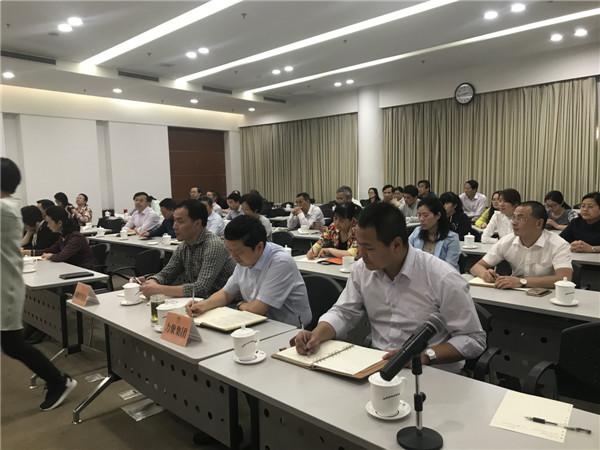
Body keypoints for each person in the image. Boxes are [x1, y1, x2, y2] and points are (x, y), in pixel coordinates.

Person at [294, 202, 485, 374]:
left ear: (396, 245)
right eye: (359, 245)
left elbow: (473, 339)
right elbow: (344, 312)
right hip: (378, 367)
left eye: (369, 248)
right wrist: (317, 335)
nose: (360, 254)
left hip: (430, 372)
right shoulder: (362, 269)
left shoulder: (442, 277)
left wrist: (424, 356)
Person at [1, 157, 77, 411]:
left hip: (6, 288)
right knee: (11, 344)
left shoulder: (4, 209)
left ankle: (58, 381)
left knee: (12, 345)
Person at [186, 215, 311, 327]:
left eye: (238, 252)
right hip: (256, 321)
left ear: (259, 247)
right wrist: (203, 305)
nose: (233, 256)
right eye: (229, 250)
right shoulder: (244, 259)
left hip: (289, 329)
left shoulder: (280, 262)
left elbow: (258, 308)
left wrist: (239, 305)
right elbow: (226, 294)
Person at [139, 200, 236, 298]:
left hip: (227, 303)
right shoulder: (184, 246)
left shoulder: (213, 245)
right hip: (201, 300)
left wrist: (159, 289)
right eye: (174, 220)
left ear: (197, 223)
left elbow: (201, 288)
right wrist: (152, 281)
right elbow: (167, 274)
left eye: (180, 221)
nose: (174, 226)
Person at [471, 201, 572, 289]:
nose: (513, 223)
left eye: (520, 219)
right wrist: (485, 274)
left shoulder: (558, 244)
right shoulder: (507, 241)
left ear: (539, 223)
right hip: (515, 293)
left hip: (547, 295)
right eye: (513, 218)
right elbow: (476, 266)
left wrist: (522, 282)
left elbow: (564, 278)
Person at [26, 206, 96, 270]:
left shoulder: (76, 237)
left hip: (86, 272)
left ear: (59, 223)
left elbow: (61, 256)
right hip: (72, 269)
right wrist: (27, 252)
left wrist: (50, 256)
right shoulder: (63, 237)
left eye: (49, 222)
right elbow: (50, 250)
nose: (47, 225)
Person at [408, 197, 461, 271]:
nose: (421, 219)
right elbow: (407, 255)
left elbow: (449, 268)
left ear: (438, 215)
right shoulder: (417, 232)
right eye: (419, 215)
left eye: (425, 215)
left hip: (443, 276)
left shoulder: (452, 238)